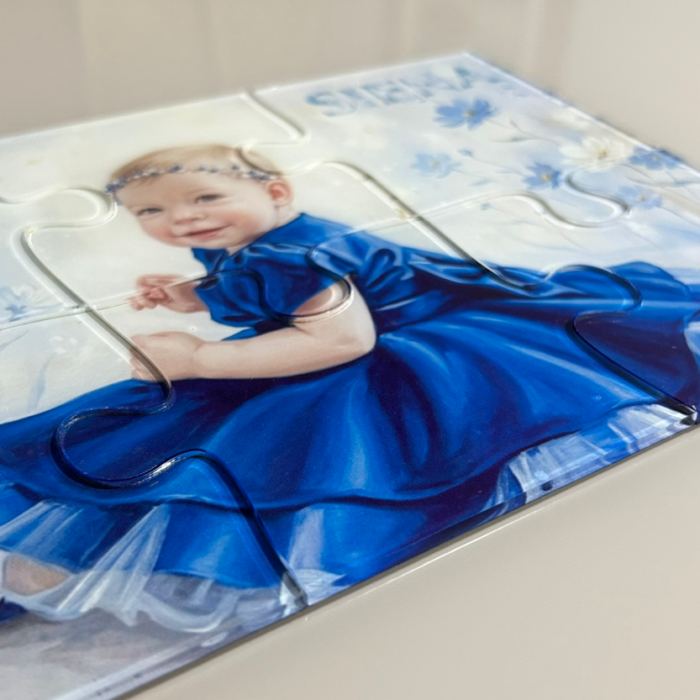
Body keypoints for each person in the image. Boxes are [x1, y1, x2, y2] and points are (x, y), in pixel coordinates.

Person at [0, 144, 697, 632]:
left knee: (275, 443)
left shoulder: (292, 254)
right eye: (151, 212)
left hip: (415, 347)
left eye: (205, 197)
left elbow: (341, 340)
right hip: (361, 329)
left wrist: (199, 358)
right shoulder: (251, 239)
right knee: (186, 433)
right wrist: (194, 295)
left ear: (276, 193)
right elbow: (258, 287)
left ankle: (160, 572)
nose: (181, 219)